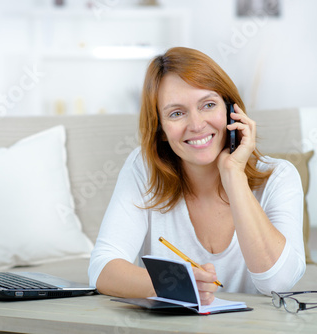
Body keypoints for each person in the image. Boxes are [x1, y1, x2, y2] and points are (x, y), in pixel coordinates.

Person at [88, 47, 305, 305]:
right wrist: (173, 284)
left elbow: (276, 282)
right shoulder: (144, 168)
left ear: (231, 112)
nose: (197, 124)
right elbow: (101, 270)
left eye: (208, 105)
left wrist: (233, 175)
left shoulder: (278, 177)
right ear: (160, 129)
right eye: (177, 113)